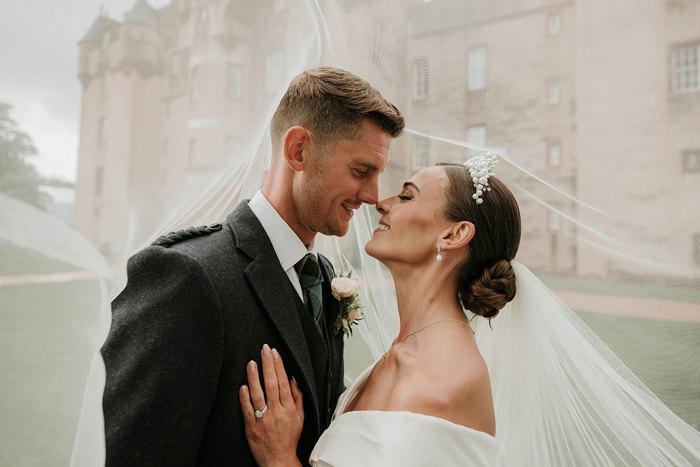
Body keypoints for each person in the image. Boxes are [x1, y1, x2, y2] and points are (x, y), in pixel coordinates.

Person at [239, 154, 700, 466]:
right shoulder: (402, 355)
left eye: (407, 194)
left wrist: (280, 458)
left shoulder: (444, 380)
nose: (380, 201)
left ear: (454, 235)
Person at [100, 66, 404, 466]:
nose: (371, 196)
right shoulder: (187, 276)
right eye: (361, 171)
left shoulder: (325, 280)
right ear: (298, 150)